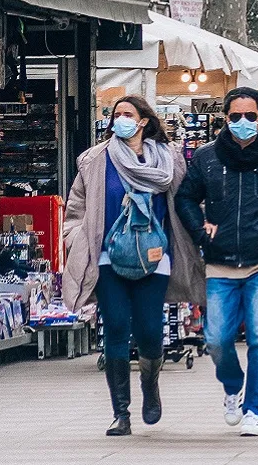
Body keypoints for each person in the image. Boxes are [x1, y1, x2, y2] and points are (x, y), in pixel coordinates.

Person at [62, 96, 205, 437]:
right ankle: (120, 414)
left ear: (143, 121)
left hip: (155, 258)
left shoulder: (168, 160)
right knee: (114, 330)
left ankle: (150, 382)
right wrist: (75, 239)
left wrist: (199, 232)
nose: (120, 119)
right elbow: (76, 207)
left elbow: (183, 201)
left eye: (128, 114)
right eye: (116, 115)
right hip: (109, 258)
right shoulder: (95, 160)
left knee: (149, 334)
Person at [176, 87, 258, 436]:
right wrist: (200, 232)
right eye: (235, 116)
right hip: (220, 263)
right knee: (218, 338)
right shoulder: (206, 158)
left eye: (250, 116)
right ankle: (233, 386)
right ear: (225, 117)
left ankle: (256, 410)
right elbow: (185, 199)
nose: (242, 122)